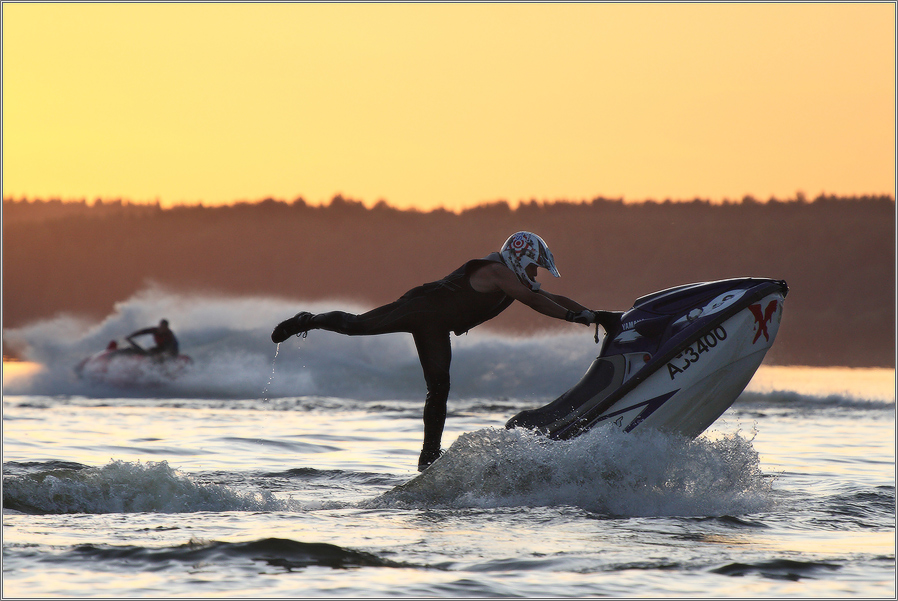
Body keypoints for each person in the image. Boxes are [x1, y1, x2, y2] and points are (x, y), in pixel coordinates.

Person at [271, 232, 621, 471]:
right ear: (520, 258)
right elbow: (534, 300)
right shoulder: (498, 272)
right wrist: (580, 318)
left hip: (435, 327)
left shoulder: (513, 277)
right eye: (533, 266)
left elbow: (549, 297)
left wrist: (596, 315)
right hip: (420, 308)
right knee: (355, 325)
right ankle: (308, 319)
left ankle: (429, 456)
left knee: (439, 387)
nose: (535, 273)